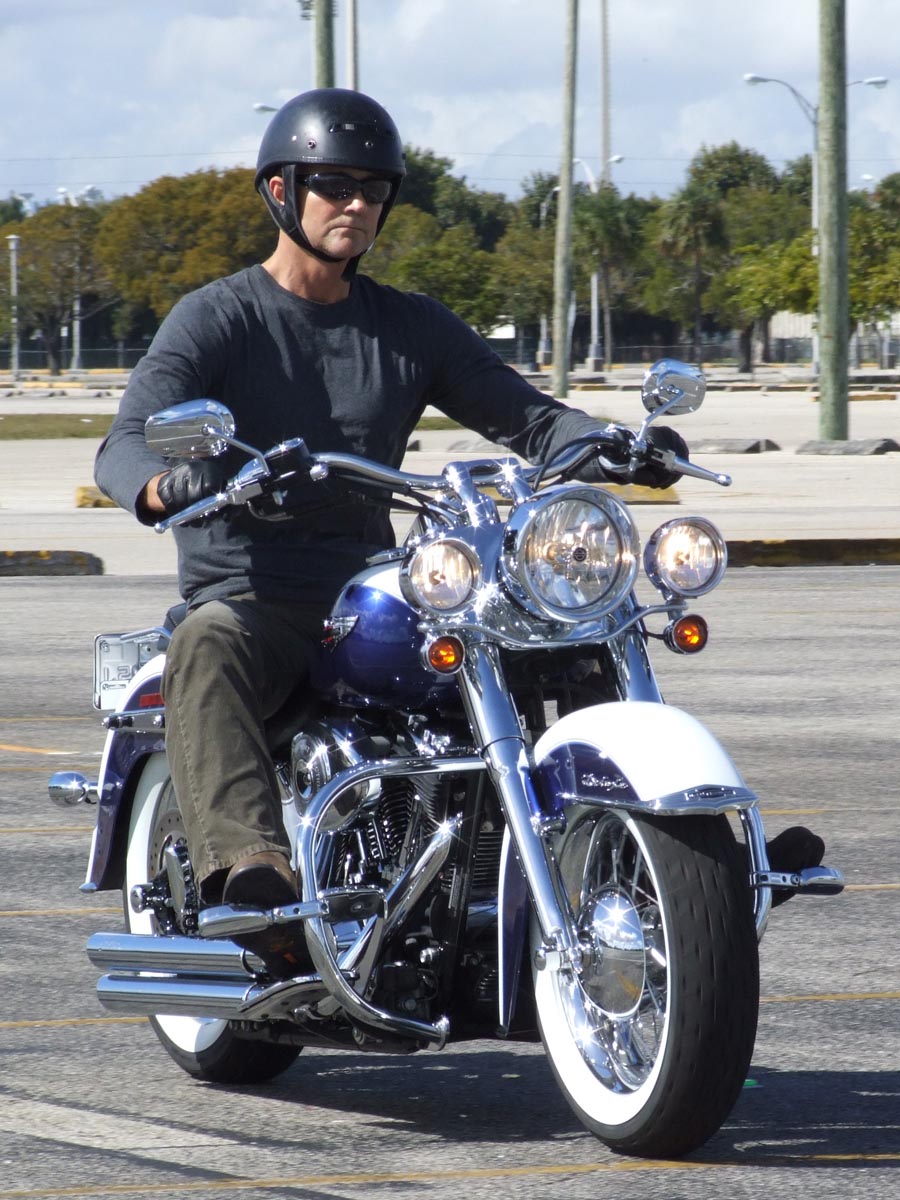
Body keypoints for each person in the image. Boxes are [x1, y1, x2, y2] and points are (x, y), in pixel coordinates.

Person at [95, 89, 816, 973]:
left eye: (373, 189)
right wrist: (173, 482)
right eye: (334, 185)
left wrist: (615, 447)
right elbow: (124, 446)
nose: (356, 204)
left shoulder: (409, 325)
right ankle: (252, 868)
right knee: (207, 640)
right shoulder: (219, 317)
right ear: (281, 190)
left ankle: (676, 848)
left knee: (567, 635)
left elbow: (527, 416)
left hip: (375, 587)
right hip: (260, 595)